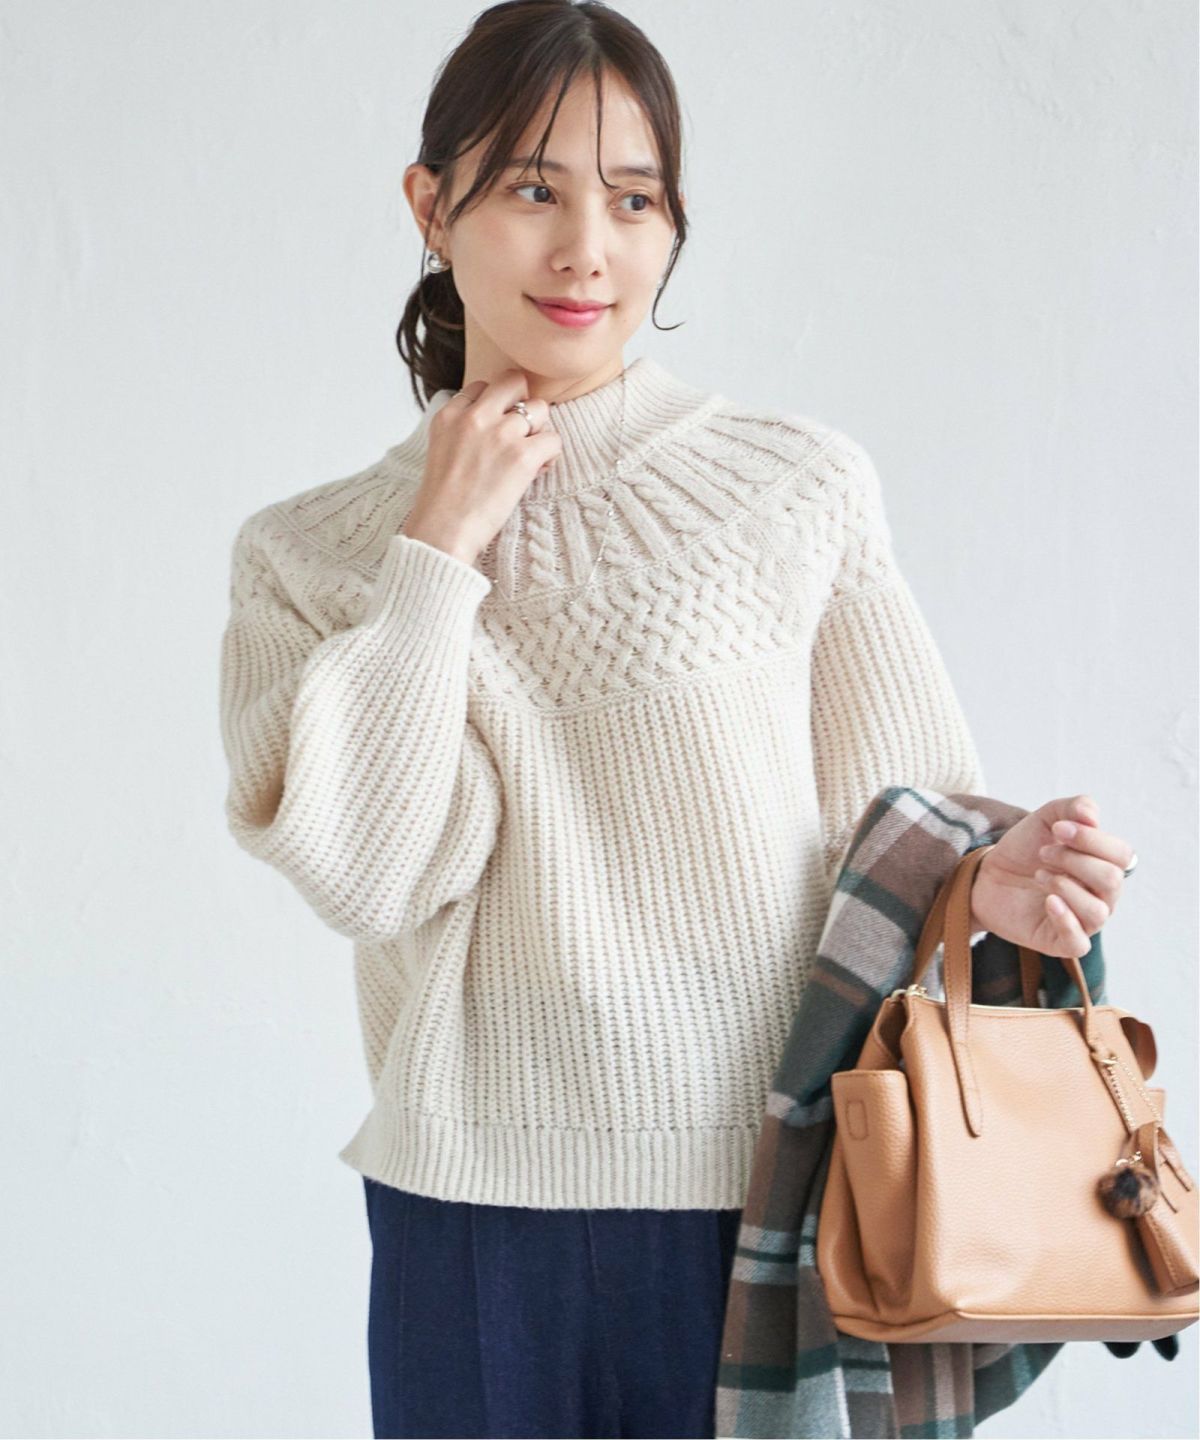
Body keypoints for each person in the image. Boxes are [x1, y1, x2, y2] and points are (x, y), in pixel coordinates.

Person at [217, 3, 1136, 1435]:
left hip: (771, 1199)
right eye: (534, 189)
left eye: (634, 200)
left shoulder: (793, 489)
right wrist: (436, 552)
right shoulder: (308, 555)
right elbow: (371, 873)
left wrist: (990, 886)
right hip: (470, 1216)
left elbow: (906, 825)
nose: (588, 249)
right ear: (430, 207)